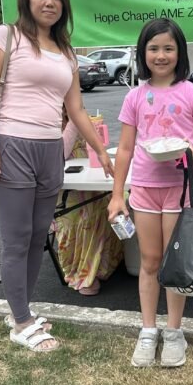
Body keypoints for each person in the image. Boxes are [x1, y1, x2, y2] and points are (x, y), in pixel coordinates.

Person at [0, 0, 114, 353]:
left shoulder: (67, 51)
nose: (49, 2)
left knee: (39, 236)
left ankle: (22, 309)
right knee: (17, 239)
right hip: (12, 145)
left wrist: (101, 150)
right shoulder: (7, 36)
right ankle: (21, 322)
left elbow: (76, 109)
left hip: (50, 150)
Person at [107, 19, 193, 368]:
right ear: (143, 53)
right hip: (144, 189)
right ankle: (148, 329)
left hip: (179, 190)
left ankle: (174, 332)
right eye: (153, 48)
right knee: (149, 262)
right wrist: (116, 194)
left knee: (173, 264)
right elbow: (124, 149)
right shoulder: (135, 96)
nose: (161, 55)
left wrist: (190, 153)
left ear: (179, 52)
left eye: (168, 48)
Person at [57, 116, 123, 295]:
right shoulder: (45, 117)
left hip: (87, 179)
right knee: (87, 212)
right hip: (59, 189)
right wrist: (74, 120)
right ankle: (85, 273)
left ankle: (104, 264)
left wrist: (90, 128)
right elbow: (59, 154)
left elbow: (96, 146)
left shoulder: (76, 111)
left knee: (115, 199)